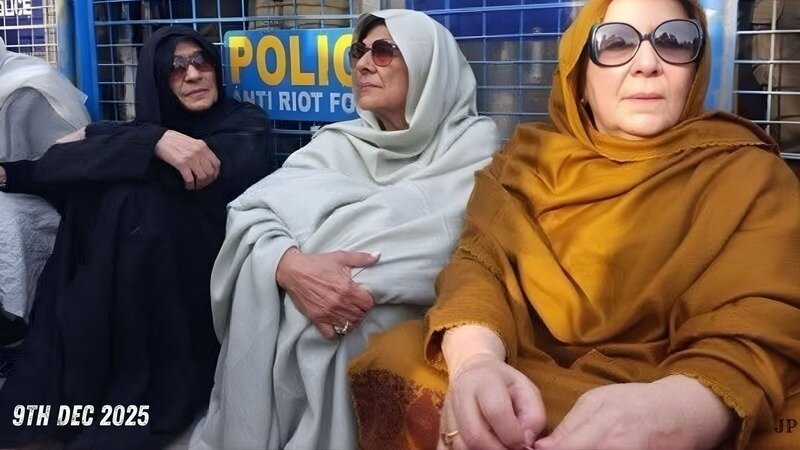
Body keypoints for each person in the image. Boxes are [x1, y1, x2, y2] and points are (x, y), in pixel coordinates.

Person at [348, 0, 800, 449]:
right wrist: (477, 364)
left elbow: (760, 317)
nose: (648, 63)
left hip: (679, 386)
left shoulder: (748, 175)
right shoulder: (527, 162)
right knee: (399, 358)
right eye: (616, 42)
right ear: (579, 71)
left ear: (696, 68)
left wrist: (673, 411)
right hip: (530, 379)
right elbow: (479, 266)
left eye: (674, 41)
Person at [189, 9, 499, 450]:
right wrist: (289, 264)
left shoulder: (471, 147)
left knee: (338, 329)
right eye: (359, 51)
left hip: (411, 314)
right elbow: (251, 212)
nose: (364, 64)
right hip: (327, 306)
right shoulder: (340, 142)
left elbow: (440, 249)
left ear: (429, 67)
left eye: (384, 51)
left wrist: (324, 262)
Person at [0, 26, 274, 448]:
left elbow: (191, 174)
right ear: (155, 79)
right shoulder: (150, 129)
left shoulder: (244, 122)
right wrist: (153, 139)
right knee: (104, 195)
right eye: (175, 67)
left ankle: (120, 397)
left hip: (199, 275)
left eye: (201, 62)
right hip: (132, 275)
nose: (193, 75)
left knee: (130, 196)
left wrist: (108, 138)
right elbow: (57, 165)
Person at [0, 36, 90, 345]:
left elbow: (73, 170)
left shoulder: (32, 85)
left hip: (46, 208)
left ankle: (15, 323)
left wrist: (9, 175)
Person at [751, 0, 800, 153]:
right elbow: (761, 50)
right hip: (787, 89)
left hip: (787, 84)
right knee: (790, 146)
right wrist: (774, 81)